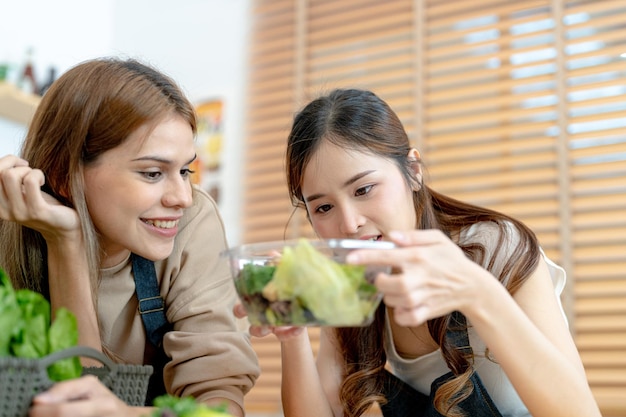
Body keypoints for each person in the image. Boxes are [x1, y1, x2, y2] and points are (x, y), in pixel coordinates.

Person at [239, 88, 601, 417]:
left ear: (413, 171)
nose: (349, 224)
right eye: (323, 208)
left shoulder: (496, 248)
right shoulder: (348, 280)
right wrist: (293, 333)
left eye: (364, 190)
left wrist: (478, 292)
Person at [0, 57, 259, 417]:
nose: (182, 197)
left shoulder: (192, 223)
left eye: (185, 170)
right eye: (153, 173)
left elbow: (219, 406)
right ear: (62, 173)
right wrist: (67, 241)